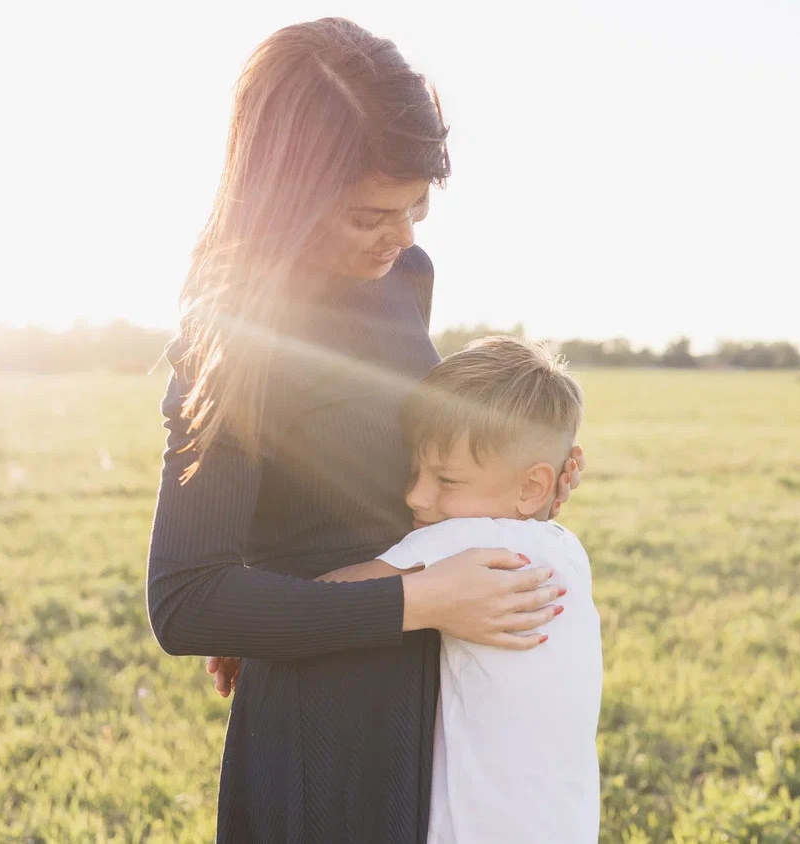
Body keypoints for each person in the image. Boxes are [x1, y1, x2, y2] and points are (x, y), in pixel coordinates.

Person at [147, 17, 584, 844]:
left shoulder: (405, 276)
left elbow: (396, 466)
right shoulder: (236, 334)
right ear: (287, 198)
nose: (404, 236)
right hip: (328, 729)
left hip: (431, 690)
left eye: (416, 205)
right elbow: (186, 599)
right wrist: (413, 597)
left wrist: (516, 490)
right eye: (371, 214)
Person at [317, 336, 602, 843]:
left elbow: (335, 594)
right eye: (413, 471)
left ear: (534, 485)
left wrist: (245, 621)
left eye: (446, 480)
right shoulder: (565, 547)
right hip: (561, 819)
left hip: (476, 825)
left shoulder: (464, 538)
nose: (416, 495)